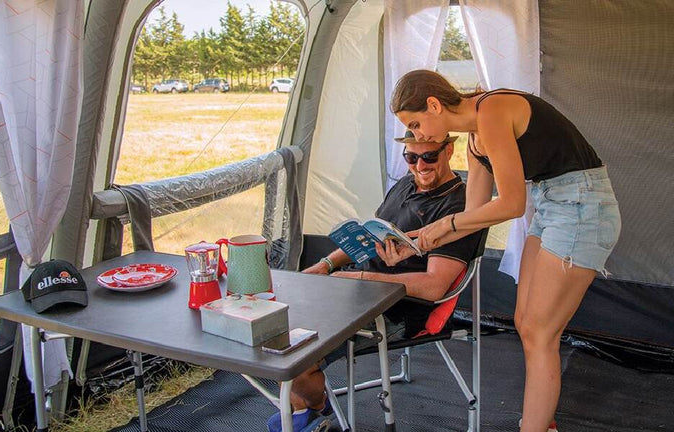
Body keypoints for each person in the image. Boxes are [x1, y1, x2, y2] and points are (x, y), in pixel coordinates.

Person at [387, 70, 621, 432]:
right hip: (554, 205)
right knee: (526, 324)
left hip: (582, 207)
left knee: (540, 333)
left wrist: (443, 227)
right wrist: (414, 243)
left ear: (434, 104)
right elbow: (472, 216)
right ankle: (542, 423)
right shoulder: (475, 138)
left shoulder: (491, 111)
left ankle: (535, 427)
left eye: (415, 124)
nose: (416, 137)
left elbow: (512, 204)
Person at [266, 131, 483, 432]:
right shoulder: (406, 184)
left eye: (429, 156)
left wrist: (360, 277)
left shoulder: (457, 207)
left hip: (395, 309)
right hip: (358, 289)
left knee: (290, 351)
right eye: (411, 157)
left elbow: (435, 286)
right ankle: (308, 409)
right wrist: (325, 264)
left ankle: (308, 409)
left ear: (449, 150)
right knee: (276, 329)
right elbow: (367, 237)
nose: (420, 165)